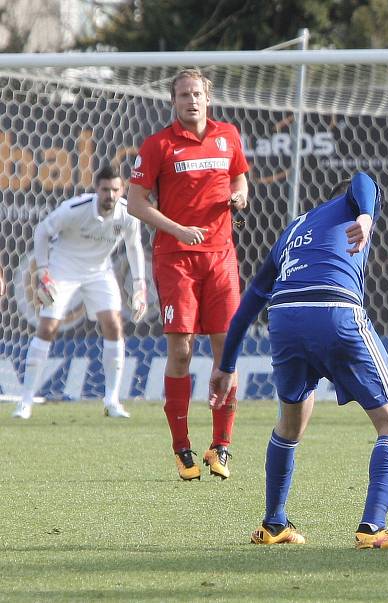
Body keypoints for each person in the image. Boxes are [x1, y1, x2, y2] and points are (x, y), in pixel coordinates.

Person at [208, 171, 388, 550]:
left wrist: (226, 365)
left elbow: (249, 305)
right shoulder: (350, 205)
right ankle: (373, 528)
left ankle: (274, 523)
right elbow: (364, 180)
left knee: (290, 424)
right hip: (334, 310)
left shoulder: (293, 230)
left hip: (284, 319)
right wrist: (364, 217)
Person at [127, 69, 249, 481]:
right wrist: (177, 228)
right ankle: (182, 447)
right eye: (183, 95)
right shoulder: (158, 145)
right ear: (173, 101)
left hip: (221, 259)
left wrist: (240, 194)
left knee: (225, 354)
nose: (191, 101)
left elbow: (239, 175)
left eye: (196, 94)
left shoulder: (228, 135)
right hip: (176, 257)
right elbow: (135, 203)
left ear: (207, 98)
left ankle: (221, 446)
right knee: (180, 352)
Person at [12, 163, 147, 420]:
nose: (110, 195)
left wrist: (140, 286)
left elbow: (134, 247)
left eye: (115, 190)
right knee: (47, 327)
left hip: (99, 272)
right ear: (96, 188)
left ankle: (112, 400)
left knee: (114, 324)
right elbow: (42, 232)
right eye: (105, 189)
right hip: (63, 269)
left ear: (122, 190)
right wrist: (43, 272)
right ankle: (25, 401)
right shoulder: (74, 209)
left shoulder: (128, 213)